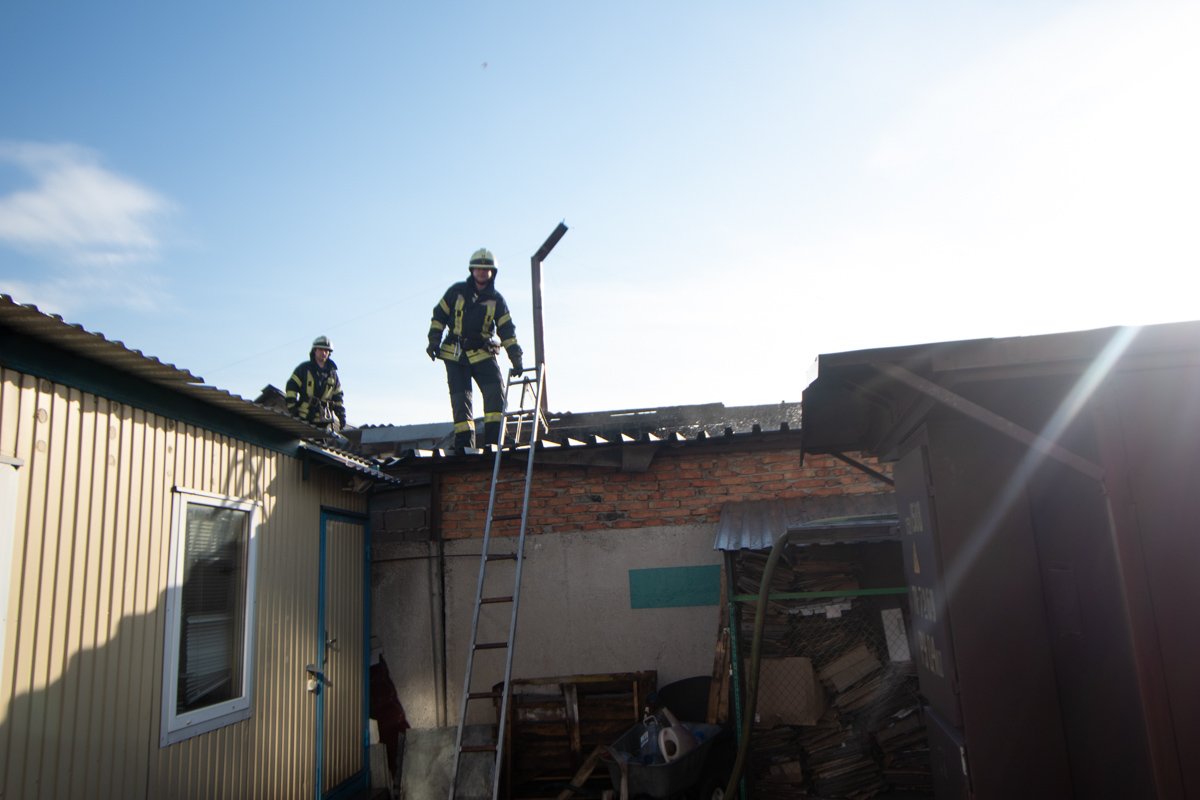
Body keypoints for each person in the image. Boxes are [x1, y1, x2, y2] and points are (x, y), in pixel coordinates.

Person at [426, 248, 524, 449]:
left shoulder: (497, 300)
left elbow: (507, 331)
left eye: (486, 269)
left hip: (482, 353)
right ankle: (464, 445)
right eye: (478, 269)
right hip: (455, 355)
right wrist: (433, 341)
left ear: (492, 273)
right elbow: (439, 317)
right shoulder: (456, 292)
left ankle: (494, 441)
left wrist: (516, 358)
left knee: (495, 393)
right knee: (461, 401)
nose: (481, 272)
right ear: (472, 270)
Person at [286, 335, 346, 430]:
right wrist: (292, 408)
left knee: (320, 444)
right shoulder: (304, 369)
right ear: (315, 350)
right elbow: (291, 387)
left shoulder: (333, 374)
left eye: (326, 351)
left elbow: (338, 397)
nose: (324, 353)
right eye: (321, 350)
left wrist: (342, 416)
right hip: (304, 417)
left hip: (323, 421)